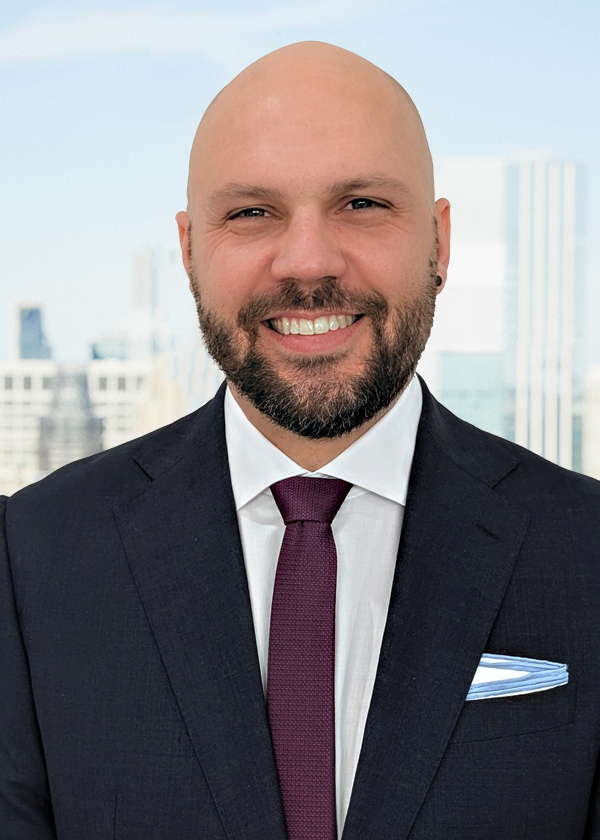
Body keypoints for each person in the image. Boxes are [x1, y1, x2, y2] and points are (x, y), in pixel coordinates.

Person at [1, 41, 599, 840]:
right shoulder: (32, 556)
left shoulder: (586, 550)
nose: (309, 262)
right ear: (189, 250)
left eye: (363, 204)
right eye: (252, 212)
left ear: (439, 241)